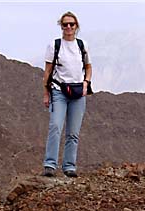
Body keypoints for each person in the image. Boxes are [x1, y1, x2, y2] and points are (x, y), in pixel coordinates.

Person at [41, 11, 92, 178]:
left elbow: (88, 67)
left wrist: (86, 83)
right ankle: (50, 164)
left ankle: (69, 166)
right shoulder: (54, 45)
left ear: (76, 26)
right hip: (58, 91)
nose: (69, 27)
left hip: (78, 93)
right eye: (65, 24)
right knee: (55, 126)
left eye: (72, 24)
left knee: (73, 132)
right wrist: (46, 94)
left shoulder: (82, 45)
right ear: (61, 26)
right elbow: (47, 72)